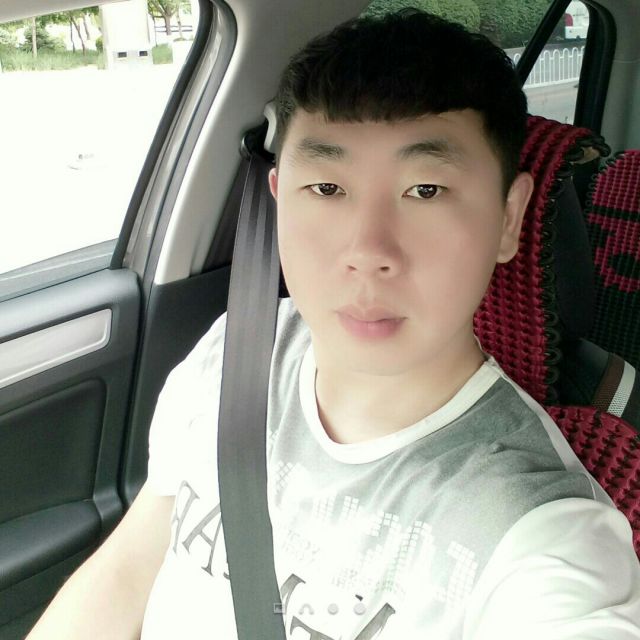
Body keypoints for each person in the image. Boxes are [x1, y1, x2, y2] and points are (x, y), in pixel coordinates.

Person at [27, 9, 640, 640]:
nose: (367, 249)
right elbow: (128, 571)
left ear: (509, 218)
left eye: (426, 190)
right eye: (325, 188)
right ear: (278, 198)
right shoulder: (236, 351)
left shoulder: (543, 536)